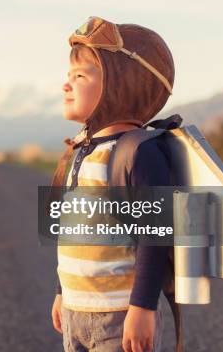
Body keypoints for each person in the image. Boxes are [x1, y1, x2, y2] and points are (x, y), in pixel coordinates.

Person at [50, 17, 175, 352]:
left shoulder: (137, 151)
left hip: (121, 315)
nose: (66, 85)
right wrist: (63, 293)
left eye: (80, 76)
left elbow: (155, 234)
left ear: (120, 85)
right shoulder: (79, 151)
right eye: (68, 76)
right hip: (77, 312)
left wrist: (143, 307)